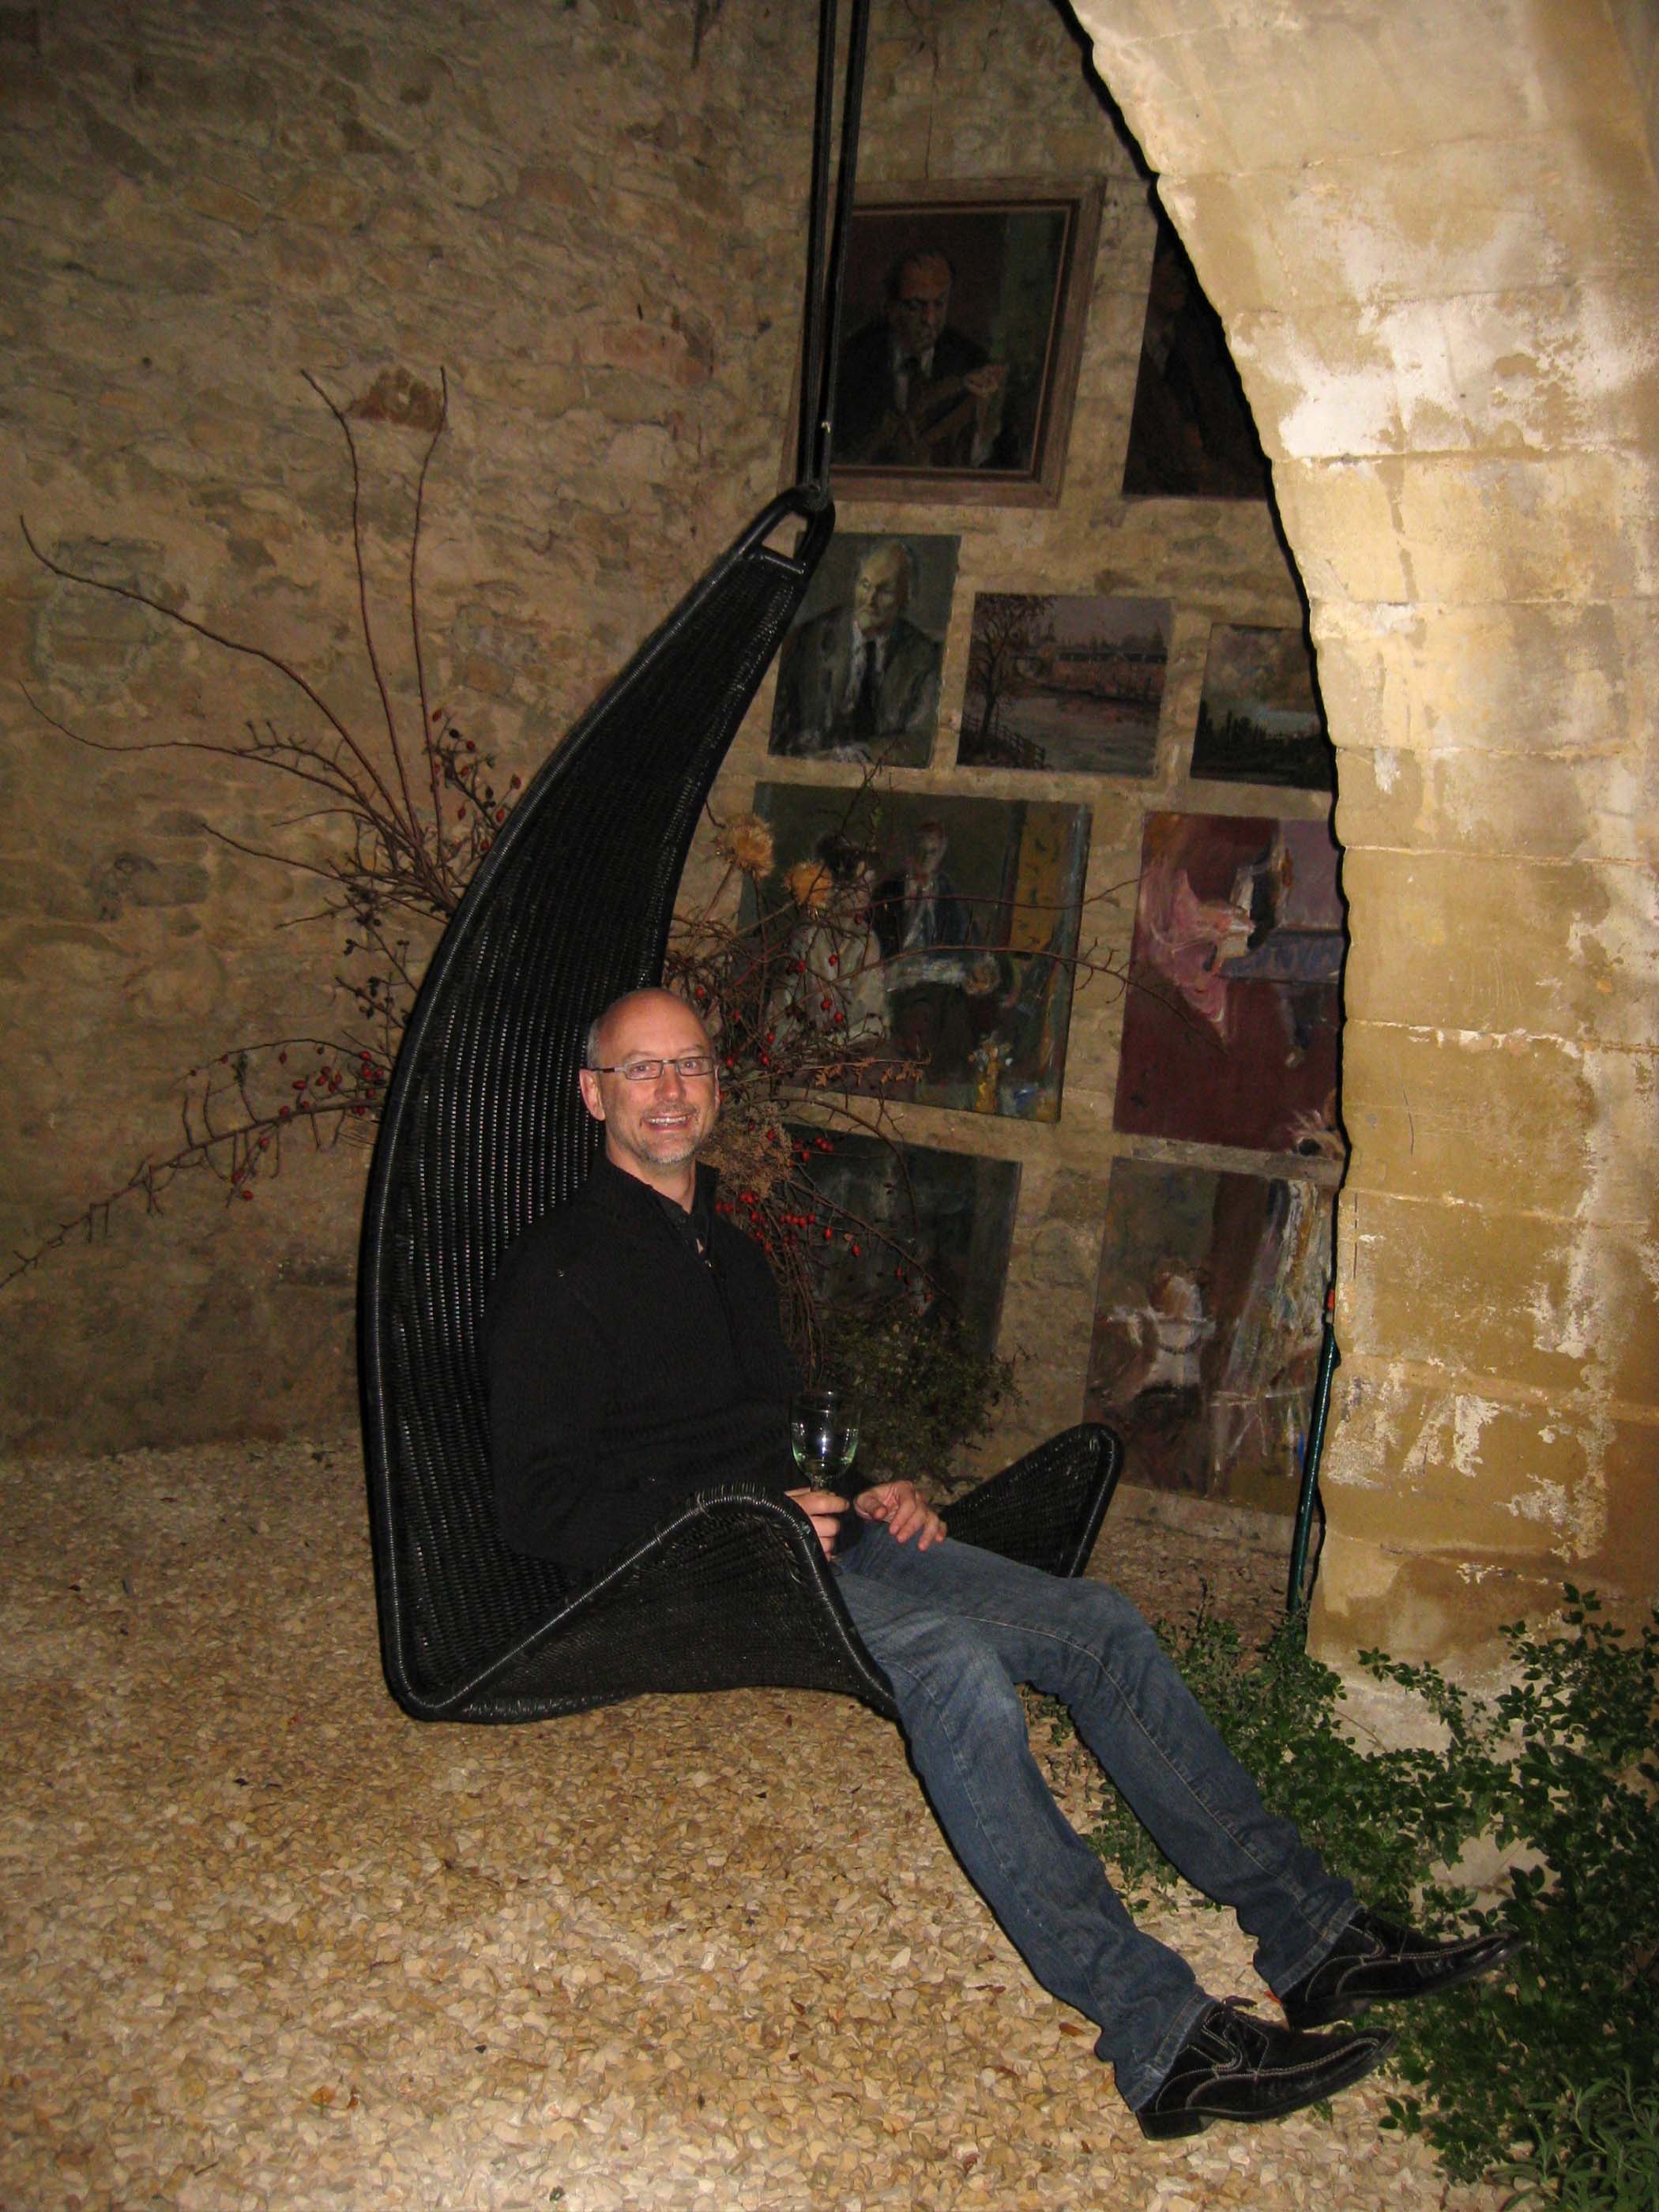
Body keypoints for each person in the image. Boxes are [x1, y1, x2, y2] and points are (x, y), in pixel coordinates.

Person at [487, 990, 1521, 2139]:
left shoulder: (727, 1250)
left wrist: (864, 1482)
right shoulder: (559, 1267)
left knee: (1100, 1621)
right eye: (640, 1070)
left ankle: (1316, 1937)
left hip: (813, 1533)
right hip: (699, 1568)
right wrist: (743, 1514)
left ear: (716, 1084)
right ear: (594, 1096)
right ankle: (1162, 2038)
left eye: (689, 1064)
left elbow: (763, 1427)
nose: (671, 1090)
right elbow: (538, 1503)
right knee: (955, 1668)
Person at [834, 249, 1010, 469]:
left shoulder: (971, 361)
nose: (930, 320)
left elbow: (998, 463)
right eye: (915, 306)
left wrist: (984, 427)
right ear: (890, 307)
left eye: (939, 304)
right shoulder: (852, 360)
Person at [770, 540, 942, 762]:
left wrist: (857, 757)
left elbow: (921, 740)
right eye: (865, 585)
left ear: (905, 597)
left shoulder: (921, 654)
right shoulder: (810, 638)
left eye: (885, 591)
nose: (870, 600)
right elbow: (776, 729)